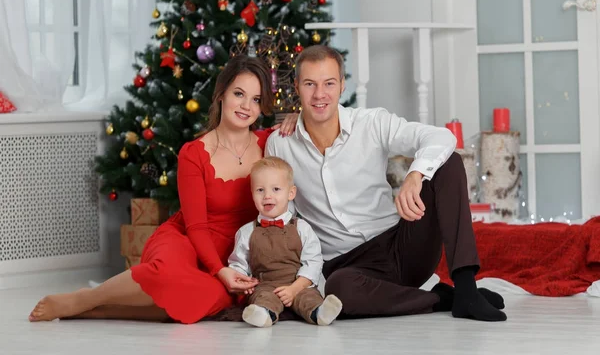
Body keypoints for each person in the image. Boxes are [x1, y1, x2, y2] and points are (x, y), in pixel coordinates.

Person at [29, 55, 299, 323]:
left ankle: (97, 311)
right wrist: (219, 270)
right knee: (165, 274)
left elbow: (315, 124)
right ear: (221, 94)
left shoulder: (270, 143)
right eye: (239, 93)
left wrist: (296, 116)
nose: (246, 106)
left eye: (255, 99)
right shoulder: (193, 153)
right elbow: (196, 227)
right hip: (189, 239)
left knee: (204, 298)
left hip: (234, 253)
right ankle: (85, 299)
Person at [266, 45, 507, 322]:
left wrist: (415, 175)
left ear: (343, 85)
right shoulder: (280, 145)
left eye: (329, 83)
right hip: (348, 267)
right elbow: (286, 215)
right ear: (297, 86)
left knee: (448, 162)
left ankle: (466, 286)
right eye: (310, 84)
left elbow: (441, 137)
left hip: (402, 245)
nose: (320, 94)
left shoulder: (371, 123)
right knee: (339, 291)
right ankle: (445, 298)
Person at [228, 156, 343, 327]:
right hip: (266, 284)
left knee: (308, 297)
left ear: (291, 193)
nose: (267, 196)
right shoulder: (246, 232)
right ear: (252, 194)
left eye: (276, 189)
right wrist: (243, 281)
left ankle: (320, 312)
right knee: (263, 298)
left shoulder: (302, 228)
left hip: (298, 282)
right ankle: (263, 314)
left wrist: (295, 288)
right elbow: (238, 262)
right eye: (260, 190)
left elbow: (313, 262)